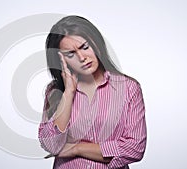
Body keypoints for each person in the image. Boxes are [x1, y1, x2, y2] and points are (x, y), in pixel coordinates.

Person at [38, 15, 147, 169]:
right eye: (70, 54)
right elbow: (51, 145)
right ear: (61, 59)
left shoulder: (129, 88)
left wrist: (77, 148)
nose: (82, 58)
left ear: (96, 43)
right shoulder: (55, 92)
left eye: (85, 47)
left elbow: (135, 148)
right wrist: (68, 93)